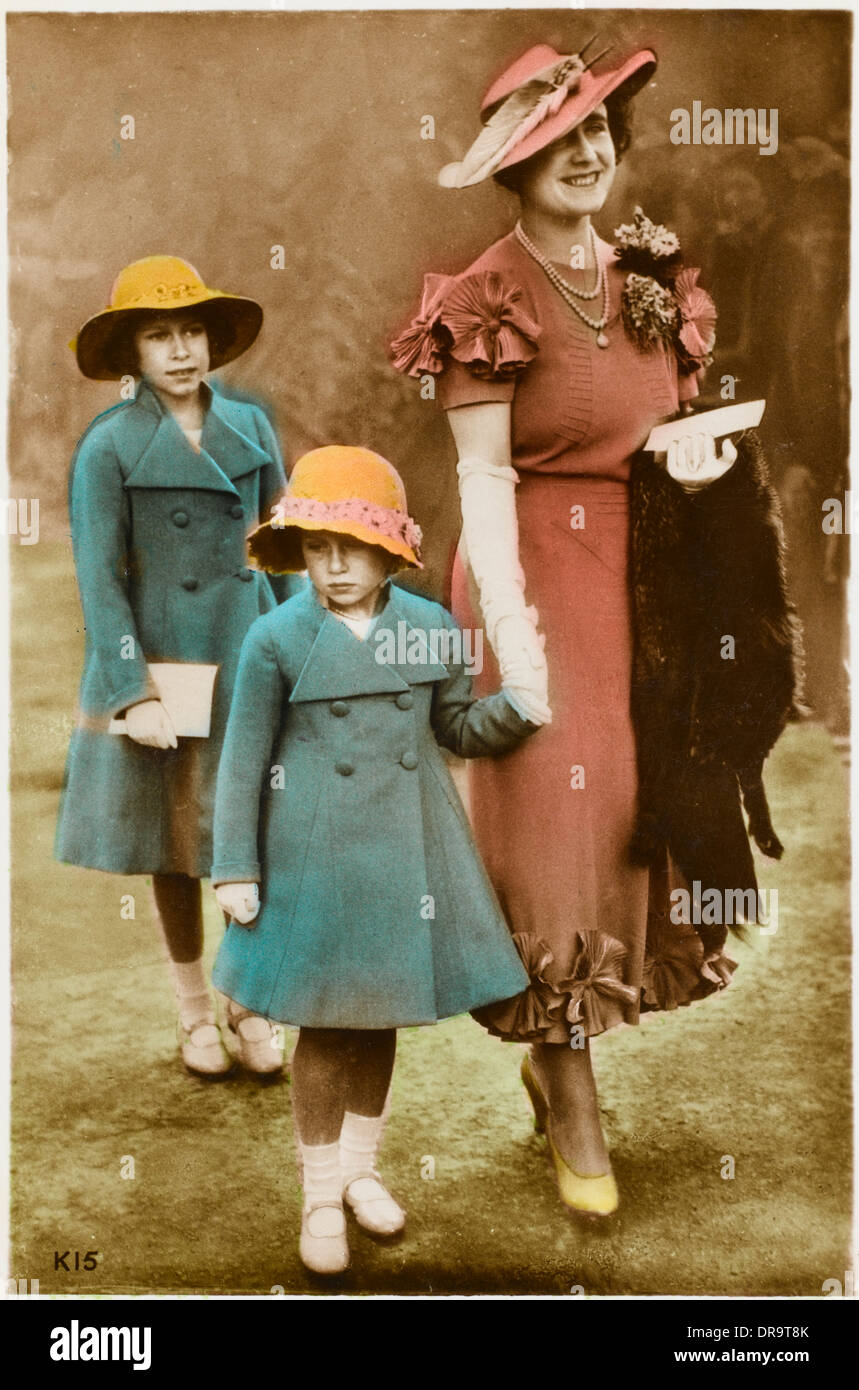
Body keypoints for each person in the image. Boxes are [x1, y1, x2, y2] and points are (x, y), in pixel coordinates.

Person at [390, 41, 800, 1217]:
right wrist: (512, 644)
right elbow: (480, 484)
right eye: (557, 139)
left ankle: (556, 1058)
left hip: (646, 588)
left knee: (634, 818)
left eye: (597, 132)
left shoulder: (651, 276)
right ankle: (572, 1096)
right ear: (515, 167)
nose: (586, 152)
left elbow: (669, 442)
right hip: (531, 576)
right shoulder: (485, 298)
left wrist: (708, 469)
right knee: (555, 840)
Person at [210, 445, 538, 1274]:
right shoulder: (276, 638)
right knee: (325, 1028)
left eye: (354, 547)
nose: (336, 565)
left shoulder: (429, 627)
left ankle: (359, 1173)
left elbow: (455, 730)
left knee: (379, 1018)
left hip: (406, 850)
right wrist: (235, 867)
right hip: (313, 859)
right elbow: (243, 762)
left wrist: (518, 709)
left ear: (391, 548)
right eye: (318, 547)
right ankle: (319, 1194)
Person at [55, 255, 296, 1078]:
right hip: (166, 672)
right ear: (132, 353)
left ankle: (249, 1004)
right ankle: (195, 1011)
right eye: (159, 334)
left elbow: (284, 549)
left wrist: (301, 641)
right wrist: (131, 691)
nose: (181, 349)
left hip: (247, 658)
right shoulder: (110, 446)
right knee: (174, 846)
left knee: (248, 834)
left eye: (192, 329)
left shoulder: (253, 428)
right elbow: (99, 581)